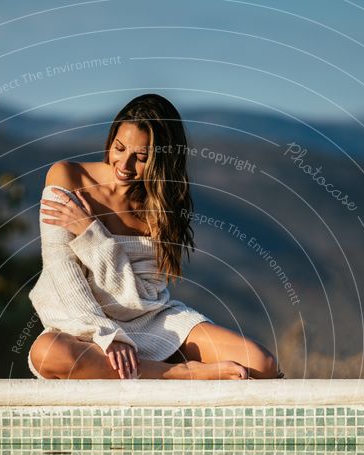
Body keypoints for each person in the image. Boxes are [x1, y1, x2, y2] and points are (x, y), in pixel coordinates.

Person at [28, 92, 283, 381]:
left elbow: (142, 296)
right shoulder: (67, 178)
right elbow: (61, 273)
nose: (124, 165)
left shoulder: (159, 209)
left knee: (262, 363)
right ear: (110, 140)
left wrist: (90, 234)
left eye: (141, 158)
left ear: (162, 160)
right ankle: (178, 373)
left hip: (149, 320)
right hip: (84, 323)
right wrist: (106, 335)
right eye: (119, 148)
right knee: (48, 353)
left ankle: (147, 369)